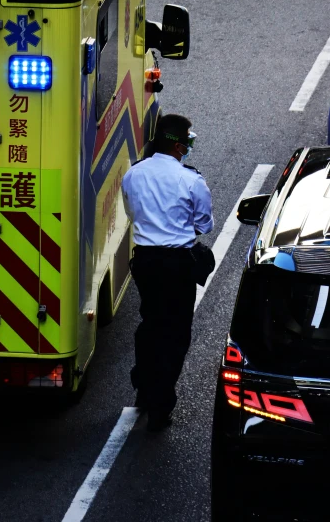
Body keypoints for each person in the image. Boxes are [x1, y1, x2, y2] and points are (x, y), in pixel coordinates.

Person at [121, 113, 214, 431]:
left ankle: (144, 389)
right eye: (186, 140)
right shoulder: (191, 180)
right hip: (177, 266)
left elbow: (131, 213)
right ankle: (161, 404)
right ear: (177, 145)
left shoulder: (133, 175)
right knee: (175, 335)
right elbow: (204, 224)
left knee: (150, 324)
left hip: (146, 263)